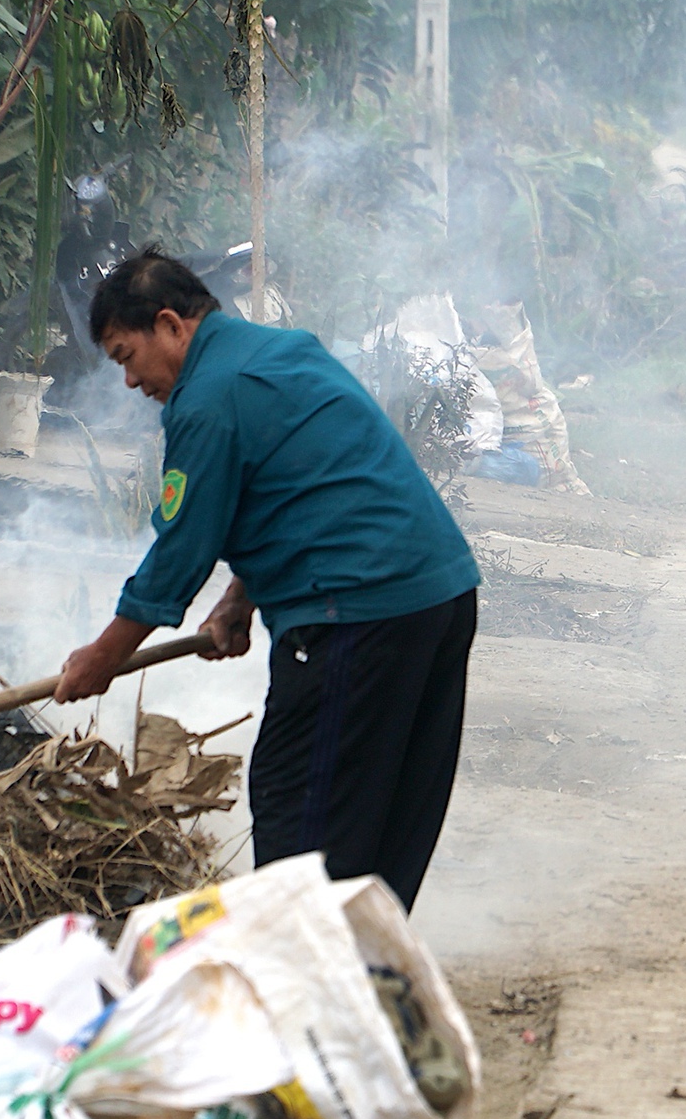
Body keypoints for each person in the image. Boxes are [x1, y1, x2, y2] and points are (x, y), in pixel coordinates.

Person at [55, 247, 481, 911]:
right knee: (386, 814)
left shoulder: (207, 398)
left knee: (298, 808)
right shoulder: (281, 351)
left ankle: (302, 980)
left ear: (169, 324)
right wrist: (241, 595)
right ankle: (365, 976)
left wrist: (102, 657)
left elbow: (179, 554)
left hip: (355, 615)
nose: (131, 381)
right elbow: (309, 477)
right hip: (441, 597)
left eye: (124, 356)